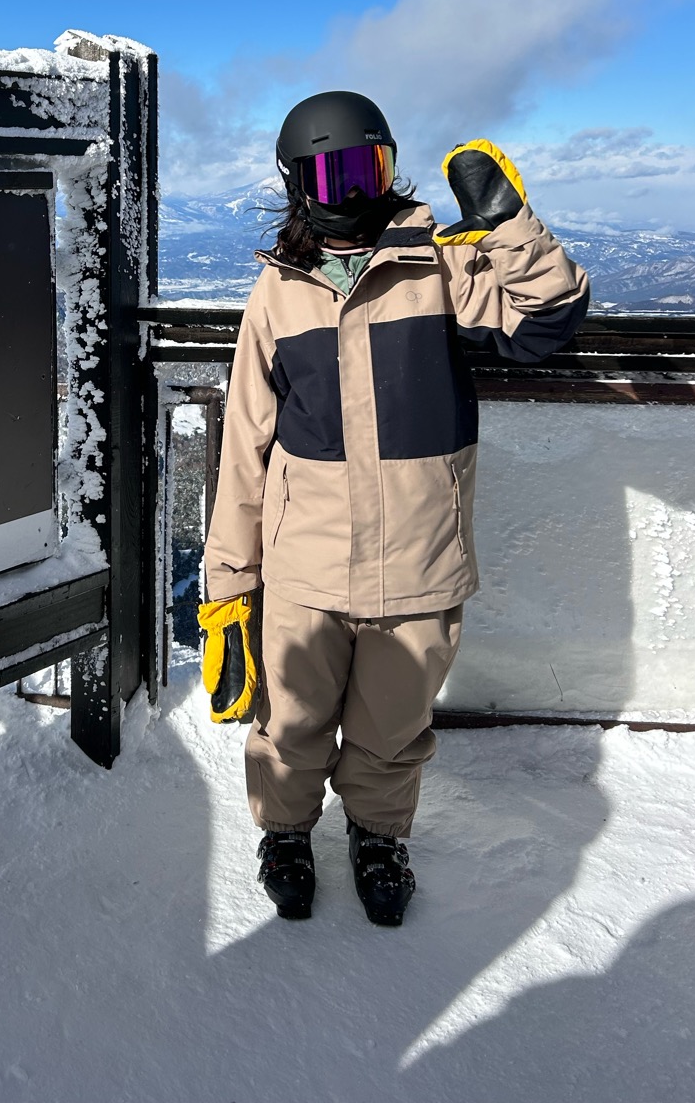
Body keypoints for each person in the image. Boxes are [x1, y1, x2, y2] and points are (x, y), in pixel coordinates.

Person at [197, 92, 589, 926]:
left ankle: (377, 835)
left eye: (362, 167)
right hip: (305, 563)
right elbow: (244, 448)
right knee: (290, 722)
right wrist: (229, 583)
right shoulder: (279, 291)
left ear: (388, 165)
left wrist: (510, 226)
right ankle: (287, 833)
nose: (346, 190)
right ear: (297, 183)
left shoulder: (438, 265)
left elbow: (546, 324)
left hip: (419, 557)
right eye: (326, 172)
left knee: (391, 726)